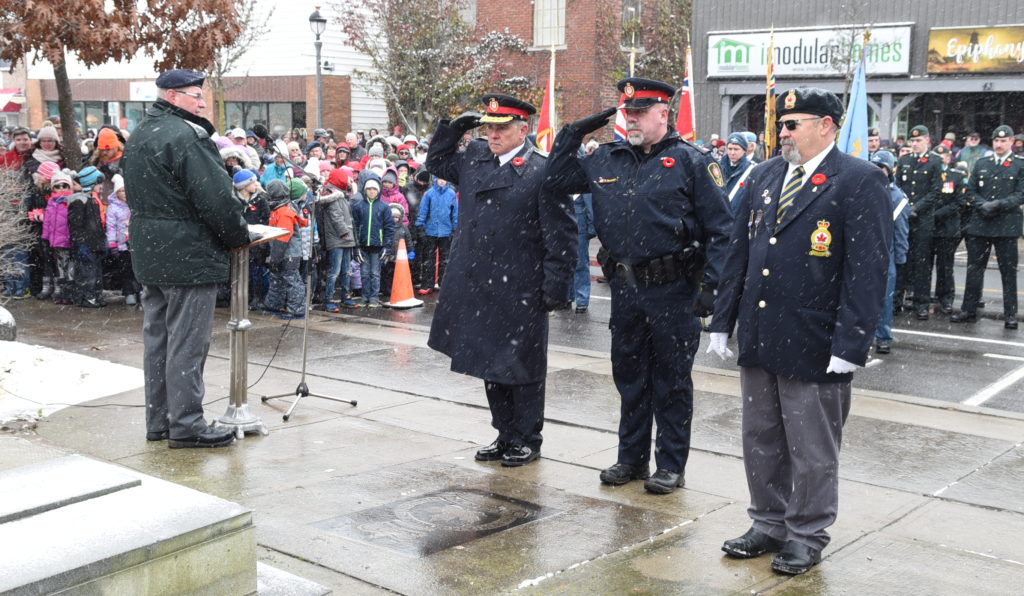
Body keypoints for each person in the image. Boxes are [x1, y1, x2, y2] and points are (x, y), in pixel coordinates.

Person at [707, 87, 891, 575]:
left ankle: (806, 534)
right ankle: (767, 522)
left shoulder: (858, 180)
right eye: (780, 125)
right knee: (760, 436)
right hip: (763, 332)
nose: (782, 133)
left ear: (826, 125)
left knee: (811, 448)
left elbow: (868, 270)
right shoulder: (767, 174)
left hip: (816, 338)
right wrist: (722, 321)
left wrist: (852, 344)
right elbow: (739, 252)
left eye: (793, 125)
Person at [544, 78, 732, 492]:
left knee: (671, 381)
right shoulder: (608, 158)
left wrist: (713, 288)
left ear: (663, 114)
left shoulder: (691, 161)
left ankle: (670, 464)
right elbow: (555, 179)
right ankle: (631, 460)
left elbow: (723, 230)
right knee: (629, 377)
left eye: (640, 113)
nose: (630, 119)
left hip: (674, 287)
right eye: (626, 112)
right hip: (626, 290)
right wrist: (572, 133)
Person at [427, 93, 576, 467]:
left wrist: (556, 287)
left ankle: (528, 437)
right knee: (490, 364)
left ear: (523, 129)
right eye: (489, 128)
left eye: (502, 128)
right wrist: (454, 130)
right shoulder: (476, 158)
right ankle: (504, 432)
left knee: (522, 367)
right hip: (479, 282)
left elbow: (562, 233)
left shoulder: (541, 169)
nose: (493, 135)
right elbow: (437, 162)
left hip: (521, 285)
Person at [121, 68, 250, 449]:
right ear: (174, 96)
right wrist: (239, 236)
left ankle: (160, 420)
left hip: (152, 252)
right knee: (187, 343)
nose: (202, 101)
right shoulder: (187, 137)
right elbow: (216, 200)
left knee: (158, 340)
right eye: (195, 94)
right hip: (187, 253)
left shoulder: (142, 133)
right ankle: (188, 424)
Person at [951, 125, 1024, 329]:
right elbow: (969, 190)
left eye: (1003, 141)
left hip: (1006, 226)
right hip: (981, 224)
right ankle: (968, 309)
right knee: (974, 270)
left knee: (1008, 273)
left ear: (1011, 142)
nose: (999, 144)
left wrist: (999, 204)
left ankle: (1010, 314)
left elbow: (1021, 193)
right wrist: (981, 204)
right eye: (996, 141)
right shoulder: (983, 163)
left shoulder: (1019, 165)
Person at [894, 125, 943, 320]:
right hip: (905, 218)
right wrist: (906, 207)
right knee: (901, 260)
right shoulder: (904, 160)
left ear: (927, 141)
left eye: (918, 140)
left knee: (922, 264)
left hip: (922, 220)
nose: (915, 144)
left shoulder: (935, 162)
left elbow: (936, 191)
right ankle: (896, 301)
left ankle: (921, 303)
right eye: (912, 141)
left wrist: (918, 207)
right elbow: (897, 186)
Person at [870, 151, 910, 354]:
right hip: (862, 255)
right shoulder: (862, 191)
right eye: (874, 167)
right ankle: (863, 335)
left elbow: (901, 231)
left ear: (889, 170)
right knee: (859, 298)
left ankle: (883, 337)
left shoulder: (897, 197)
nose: (877, 171)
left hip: (886, 256)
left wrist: (901, 257)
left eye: (881, 168)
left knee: (884, 300)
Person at [262, 178, 309, 318]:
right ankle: (275, 304)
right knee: (279, 279)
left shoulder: (283, 212)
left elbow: (283, 237)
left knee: (291, 281)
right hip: (284, 252)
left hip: (289, 254)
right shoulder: (279, 210)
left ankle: (296, 309)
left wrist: (274, 258)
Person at [930, 144, 967, 315]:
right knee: (925, 264)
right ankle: (928, 294)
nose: (939, 160)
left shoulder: (956, 176)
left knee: (946, 266)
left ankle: (946, 297)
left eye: (942, 157)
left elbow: (959, 202)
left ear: (948, 158)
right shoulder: (930, 174)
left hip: (947, 227)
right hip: (930, 227)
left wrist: (937, 214)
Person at [350, 174, 394, 308]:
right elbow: (355, 227)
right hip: (363, 245)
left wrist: (387, 247)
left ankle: (374, 297)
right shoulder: (358, 206)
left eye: (374, 189)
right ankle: (365, 297)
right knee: (364, 273)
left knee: (375, 273)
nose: (371, 191)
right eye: (369, 189)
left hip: (377, 246)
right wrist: (356, 247)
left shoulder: (384, 207)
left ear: (378, 191)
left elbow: (389, 227)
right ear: (364, 190)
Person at [66, 166, 107, 308]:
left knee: (96, 271)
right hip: (85, 244)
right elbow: (75, 225)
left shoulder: (92, 200)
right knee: (86, 272)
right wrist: (80, 243)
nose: (101, 187)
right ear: (91, 184)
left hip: (95, 243)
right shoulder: (79, 201)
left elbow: (98, 224)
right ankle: (87, 297)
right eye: (99, 183)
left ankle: (96, 295)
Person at [319, 168, 358, 311]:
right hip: (338, 239)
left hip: (345, 238)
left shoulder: (341, 196)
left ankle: (345, 296)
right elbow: (336, 218)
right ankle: (329, 298)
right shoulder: (334, 196)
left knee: (346, 269)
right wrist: (344, 233)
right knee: (335, 270)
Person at [414, 176, 458, 295]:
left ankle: (444, 284)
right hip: (430, 230)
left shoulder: (451, 193)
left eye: (444, 179)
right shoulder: (429, 194)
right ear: (435, 180)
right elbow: (423, 211)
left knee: (445, 260)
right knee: (429, 259)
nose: (442, 181)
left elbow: (455, 212)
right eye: (439, 178)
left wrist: (455, 227)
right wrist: (420, 226)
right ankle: (428, 285)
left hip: (446, 231)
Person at [105, 174, 140, 305]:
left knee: (137, 269)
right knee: (126, 270)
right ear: (116, 193)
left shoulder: (134, 205)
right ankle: (129, 292)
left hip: (136, 243)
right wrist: (112, 243)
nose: (124, 193)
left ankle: (140, 291)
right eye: (121, 191)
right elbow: (111, 227)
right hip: (122, 245)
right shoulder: (113, 208)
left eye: (126, 190)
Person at [720, 132, 755, 215]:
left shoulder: (753, 170)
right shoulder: (717, 168)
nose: (732, 153)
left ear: (744, 150)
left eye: (736, 149)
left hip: (739, 218)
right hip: (719, 219)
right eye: (730, 148)